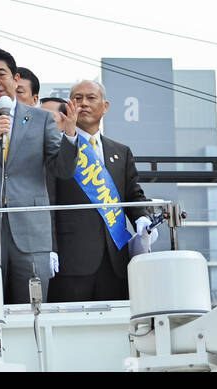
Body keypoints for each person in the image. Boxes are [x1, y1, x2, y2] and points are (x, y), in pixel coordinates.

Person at [0, 45, 79, 303]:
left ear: (15, 78)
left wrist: (71, 135)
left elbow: (62, 169)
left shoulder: (41, 119)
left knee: (32, 310)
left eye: (2, 74)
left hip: (31, 230)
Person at [49, 77, 150, 303]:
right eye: (78, 98)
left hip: (115, 260)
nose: (84, 103)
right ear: (69, 106)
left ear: (105, 107)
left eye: (91, 98)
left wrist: (142, 217)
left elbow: (133, 194)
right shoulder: (55, 148)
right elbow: (49, 202)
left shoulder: (121, 152)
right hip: (71, 261)